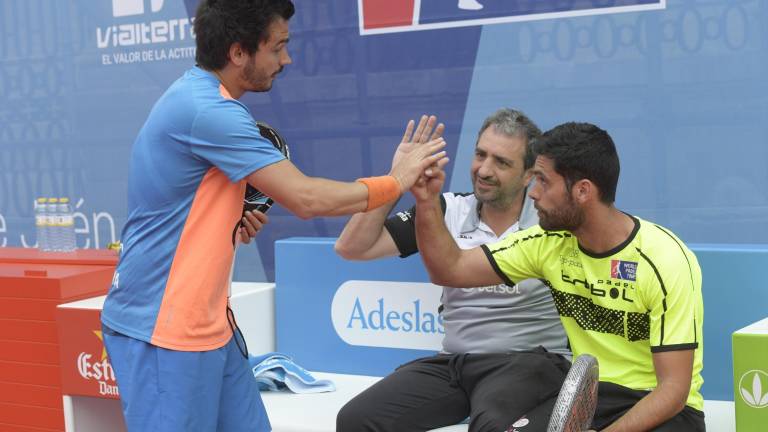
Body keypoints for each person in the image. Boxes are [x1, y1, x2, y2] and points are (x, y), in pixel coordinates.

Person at [99, 1, 447, 431]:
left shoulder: (206, 102)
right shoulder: (208, 111)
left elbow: (188, 204)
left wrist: (227, 219)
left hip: (213, 329)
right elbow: (306, 198)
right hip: (163, 333)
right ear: (238, 52)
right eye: (278, 47)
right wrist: (396, 182)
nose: (287, 59)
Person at [413, 122, 705, 431]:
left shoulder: (664, 259)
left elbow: (673, 391)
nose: (533, 194)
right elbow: (450, 269)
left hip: (664, 408)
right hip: (589, 399)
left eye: (542, 181)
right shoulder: (546, 243)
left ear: (582, 190)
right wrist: (426, 200)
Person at [335, 109, 571, 432]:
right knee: (356, 420)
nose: (484, 170)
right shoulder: (447, 209)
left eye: (501, 162)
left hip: (528, 361)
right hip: (455, 364)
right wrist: (395, 179)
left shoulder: (553, 224)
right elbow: (351, 247)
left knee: (491, 425)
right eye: (480, 155)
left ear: (529, 174)